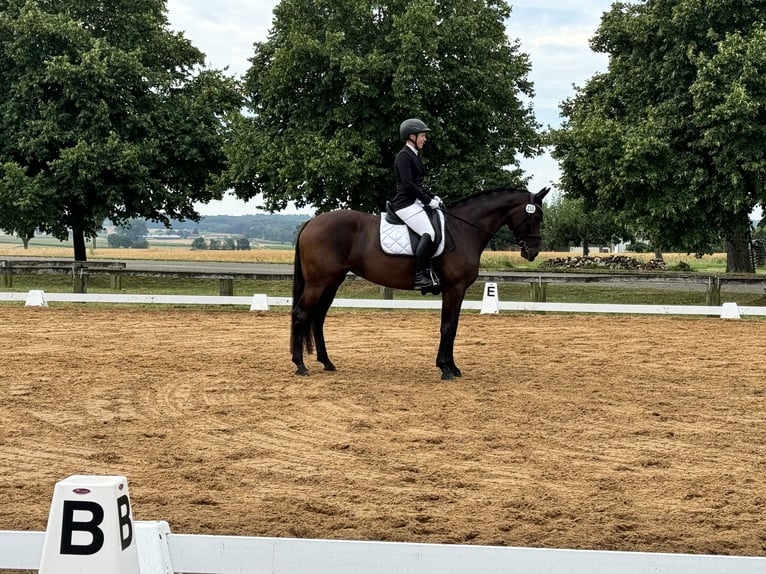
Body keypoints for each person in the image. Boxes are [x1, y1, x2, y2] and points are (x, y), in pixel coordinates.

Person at [391, 118, 442, 290]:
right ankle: (420, 276)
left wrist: (433, 197)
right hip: (404, 204)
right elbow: (408, 185)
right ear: (411, 136)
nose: (424, 139)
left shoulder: (415, 154)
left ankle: (430, 271)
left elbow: (418, 184)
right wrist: (427, 201)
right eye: (422, 135)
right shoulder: (403, 156)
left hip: (414, 201)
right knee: (429, 232)